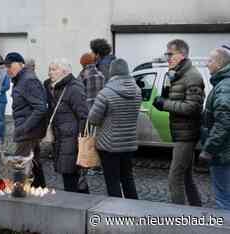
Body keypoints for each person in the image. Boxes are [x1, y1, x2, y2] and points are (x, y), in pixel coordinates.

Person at [153, 39, 204, 206]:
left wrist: (165, 104)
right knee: (187, 177)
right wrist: (166, 93)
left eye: (170, 54)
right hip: (182, 133)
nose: (167, 58)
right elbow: (179, 99)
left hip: (187, 135)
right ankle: (196, 209)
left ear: (181, 55)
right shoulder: (179, 74)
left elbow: (192, 108)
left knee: (175, 178)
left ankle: (180, 218)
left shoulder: (192, 76)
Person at [88, 59, 141, 198]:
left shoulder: (105, 93)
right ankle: (133, 209)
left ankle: (115, 212)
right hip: (129, 143)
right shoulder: (137, 91)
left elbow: (93, 119)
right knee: (128, 178)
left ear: (112, 73)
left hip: (108, 144)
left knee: (113, 182)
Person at [44, 59, 88, 193]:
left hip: (72, 140)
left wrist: (81, 140)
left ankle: (78, 207)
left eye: (54, 69)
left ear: (64, 71)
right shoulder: (56, 88)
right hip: (62, 139)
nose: (50, 72)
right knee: (70, 176)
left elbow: (84, 115)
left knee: (72, 176)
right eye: (49, 69)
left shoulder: (73, 88)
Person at [5, 52, 47, 188]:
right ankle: (40, 187)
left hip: (29, 131)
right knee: (34, 161)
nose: (8, 69)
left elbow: (40, 108)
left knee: (20, 162)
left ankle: (18, 192)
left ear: (20, 64)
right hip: (28, 130)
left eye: (10, 65)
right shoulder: (21, 79)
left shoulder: (28, 80)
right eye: (6, 66)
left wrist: (24, 127)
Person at [201, 48, 230, 210]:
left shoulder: (224, 86)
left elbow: (224, 122)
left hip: (223, 153)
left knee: (224, 199)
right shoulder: (224, 83)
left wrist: (209, 150)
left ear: (219, 64)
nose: (207, 64)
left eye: (210, 60)